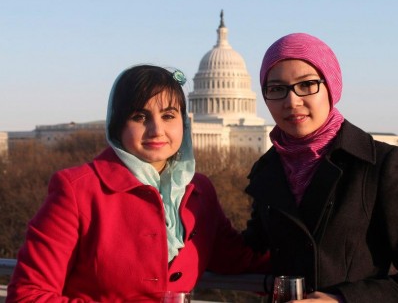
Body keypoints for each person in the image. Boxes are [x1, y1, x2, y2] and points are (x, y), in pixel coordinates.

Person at [7, 65, 268, 302]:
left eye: (168, 116)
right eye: (140, 117)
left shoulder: (199, 191)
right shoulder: (76, 190)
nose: (156, 130)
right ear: (117, 124)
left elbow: (239, 259)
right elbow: (28, 295)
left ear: (183, 123)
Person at [241, 33, 398, 302]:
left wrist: (342, 299)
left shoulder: (378, 164)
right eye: (277, 88)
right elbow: (247, 253)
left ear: (331, 86)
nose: (291, 102)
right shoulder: (266, 170)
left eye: (306, 85)